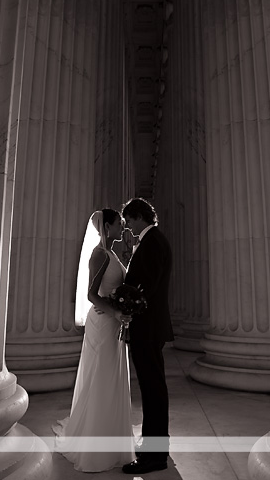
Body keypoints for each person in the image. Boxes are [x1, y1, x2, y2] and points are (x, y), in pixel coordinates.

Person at [52, 209, 136, 472]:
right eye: (119, 224)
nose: (122, 228)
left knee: (113, 376)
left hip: (113, 320)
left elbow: (117, 286)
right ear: (106, 226)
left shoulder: (112, 253)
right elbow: (91, 294)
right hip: (103, 323)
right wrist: (116, 311)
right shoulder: (99, 254)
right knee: (101, 375)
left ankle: (114, 436)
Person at [120, 198, 173, 475]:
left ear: (139, 216)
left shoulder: (152, 242)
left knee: (152, 390)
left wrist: (124, 305)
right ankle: (155, 447)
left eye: (128, 219)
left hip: (148, 327)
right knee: (153, 388)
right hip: (151, 326)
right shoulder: (153, 240)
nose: (126, 225)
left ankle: (155, 456)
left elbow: (146, 288)